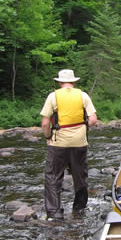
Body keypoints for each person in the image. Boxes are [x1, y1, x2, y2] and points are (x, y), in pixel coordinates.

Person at [40, 69, 97, 220]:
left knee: (53, 176)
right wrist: (82, 129)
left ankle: (54, 213)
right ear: (74, 81)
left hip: (58, 143)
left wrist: (48, 137)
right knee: (80, 176)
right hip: (79, 142)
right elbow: (93, 119)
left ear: (59, 82)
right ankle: (79, 209)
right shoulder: (83, 95)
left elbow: (45, 123)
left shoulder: (53, 96)